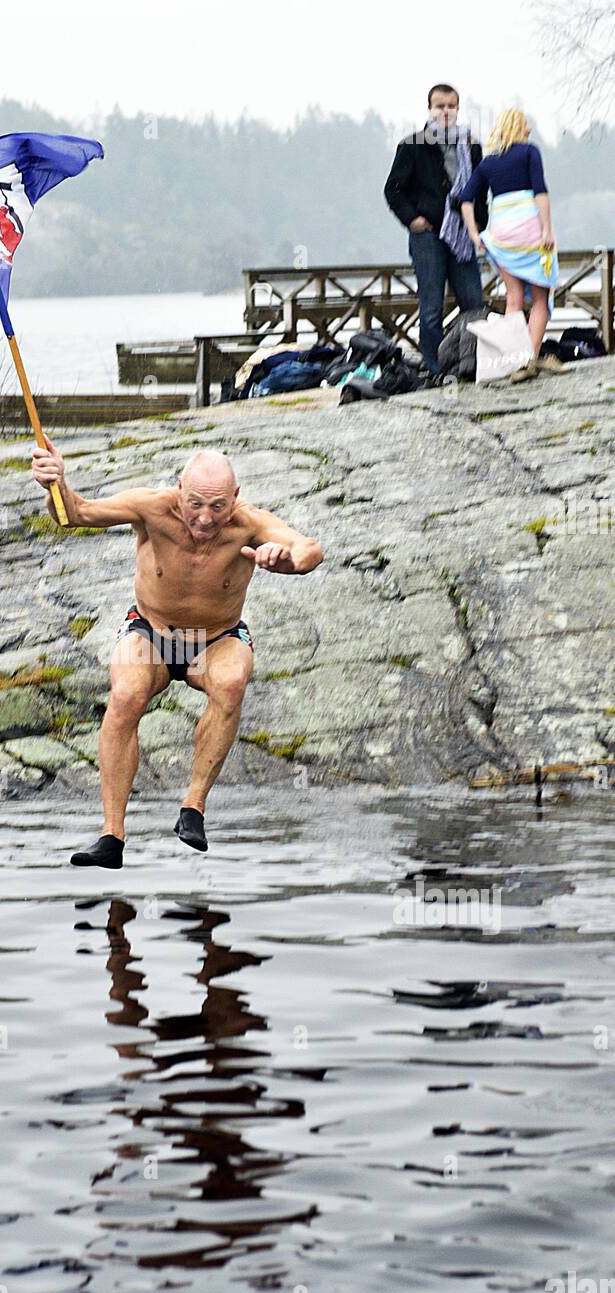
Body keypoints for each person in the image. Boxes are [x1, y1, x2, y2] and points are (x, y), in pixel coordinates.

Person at [30, 439, 324, 868]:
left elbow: (310, 548)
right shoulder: (151, 507)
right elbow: (75, 514)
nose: (205, 519)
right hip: (152, 633)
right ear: (180, 488)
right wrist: (54, 483)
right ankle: (111, 836)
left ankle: (193, 808)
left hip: (215, 639)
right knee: (127, 695)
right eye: (195, 504)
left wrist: (288, 561)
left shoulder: (249, 523)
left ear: (235, 499)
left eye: (218, 507)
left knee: (231, 681)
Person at [384, 84, 489, 377]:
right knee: (431, 308)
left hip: (462, 234)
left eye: (451, 106)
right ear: (429, 109)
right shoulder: (413, 145)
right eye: (440, 106)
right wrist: (412, 219)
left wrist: (479, 222)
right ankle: (436, 369)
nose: (445, 112)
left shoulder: (471, 145)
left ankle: (473, 364)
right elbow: (394, 189)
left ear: (458, 108)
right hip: (428, 235)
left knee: (474, 303)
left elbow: (481, 190)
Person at [457, 108, 563, 382]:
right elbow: (540, 191)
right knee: (540, 299)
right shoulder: (529, 152)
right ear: (517, 126)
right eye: (526, 125)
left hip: (501, 233)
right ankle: (528, 359)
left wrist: (474, 233)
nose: (529, 129)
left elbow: (465, 199)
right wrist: (548, 230)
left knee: (513, 299)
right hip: (529, 232)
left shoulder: (488, 163)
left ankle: (510, 359)